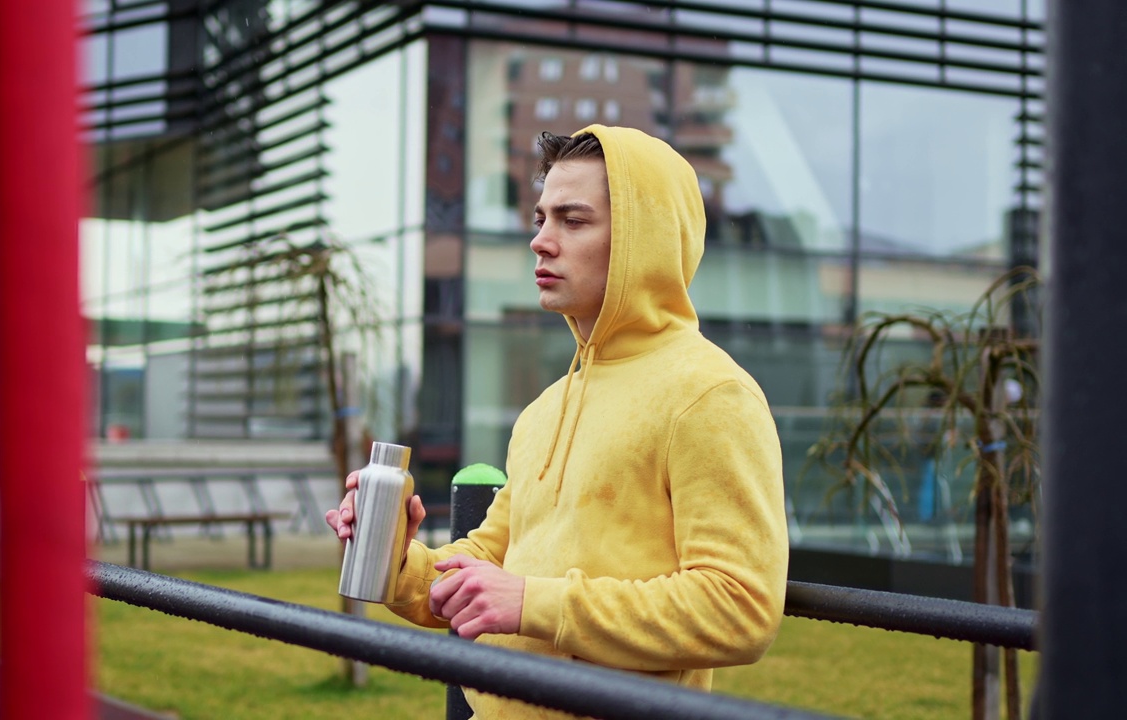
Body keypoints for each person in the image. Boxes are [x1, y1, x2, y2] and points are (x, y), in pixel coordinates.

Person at [326, 125, 788, 718]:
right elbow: (488, 567)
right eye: (541, 219)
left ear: (642, 239)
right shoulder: (546, 408)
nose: (541, 242)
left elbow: (740, 607)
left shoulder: (710, 395)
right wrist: (391, 554)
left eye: (573, 220)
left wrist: (534, 603)